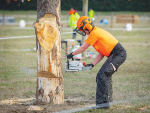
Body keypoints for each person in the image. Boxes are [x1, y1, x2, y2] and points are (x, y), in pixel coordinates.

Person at [67, 16, 127, 109]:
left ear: (87, 27)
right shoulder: (95, 32)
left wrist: (71, 54)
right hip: (115, 54)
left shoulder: (94, 33)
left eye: (83, 30)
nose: (83, 32)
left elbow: (83, 48)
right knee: (104, 76)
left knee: (102, 75)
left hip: (118, 54)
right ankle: (107, 100)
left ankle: (102, 104)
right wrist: (92, 64)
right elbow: (102, 53)